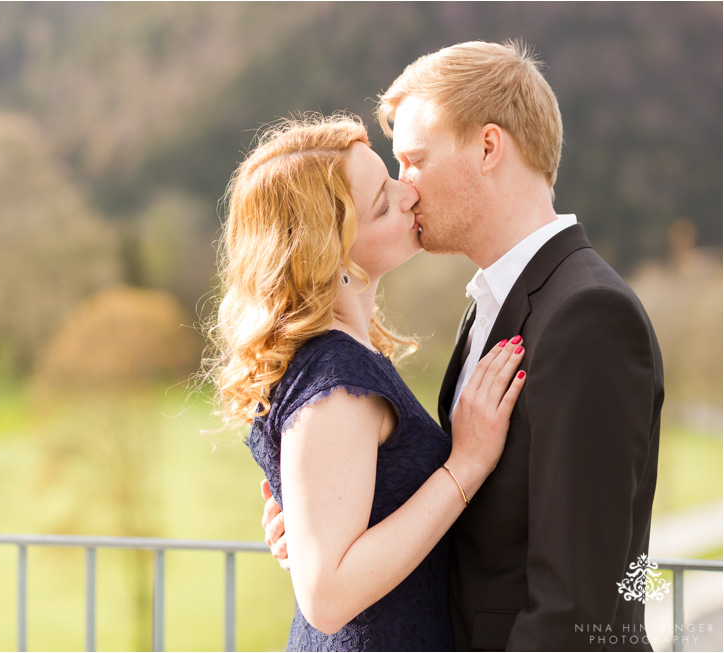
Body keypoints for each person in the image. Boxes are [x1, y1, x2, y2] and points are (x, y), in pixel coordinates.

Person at [261, 41, 664, 651]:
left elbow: (578, 607)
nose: (406, 189)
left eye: (415, 161)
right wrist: (332, 531)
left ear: (487, 147)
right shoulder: (491, 304)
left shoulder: (588, 315)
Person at [209, 112, 528, 651]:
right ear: (329, 254)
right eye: (383, 200)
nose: (408, 195)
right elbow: (327, 598)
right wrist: (466, 465)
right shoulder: (336, 380)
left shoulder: (338, 361)